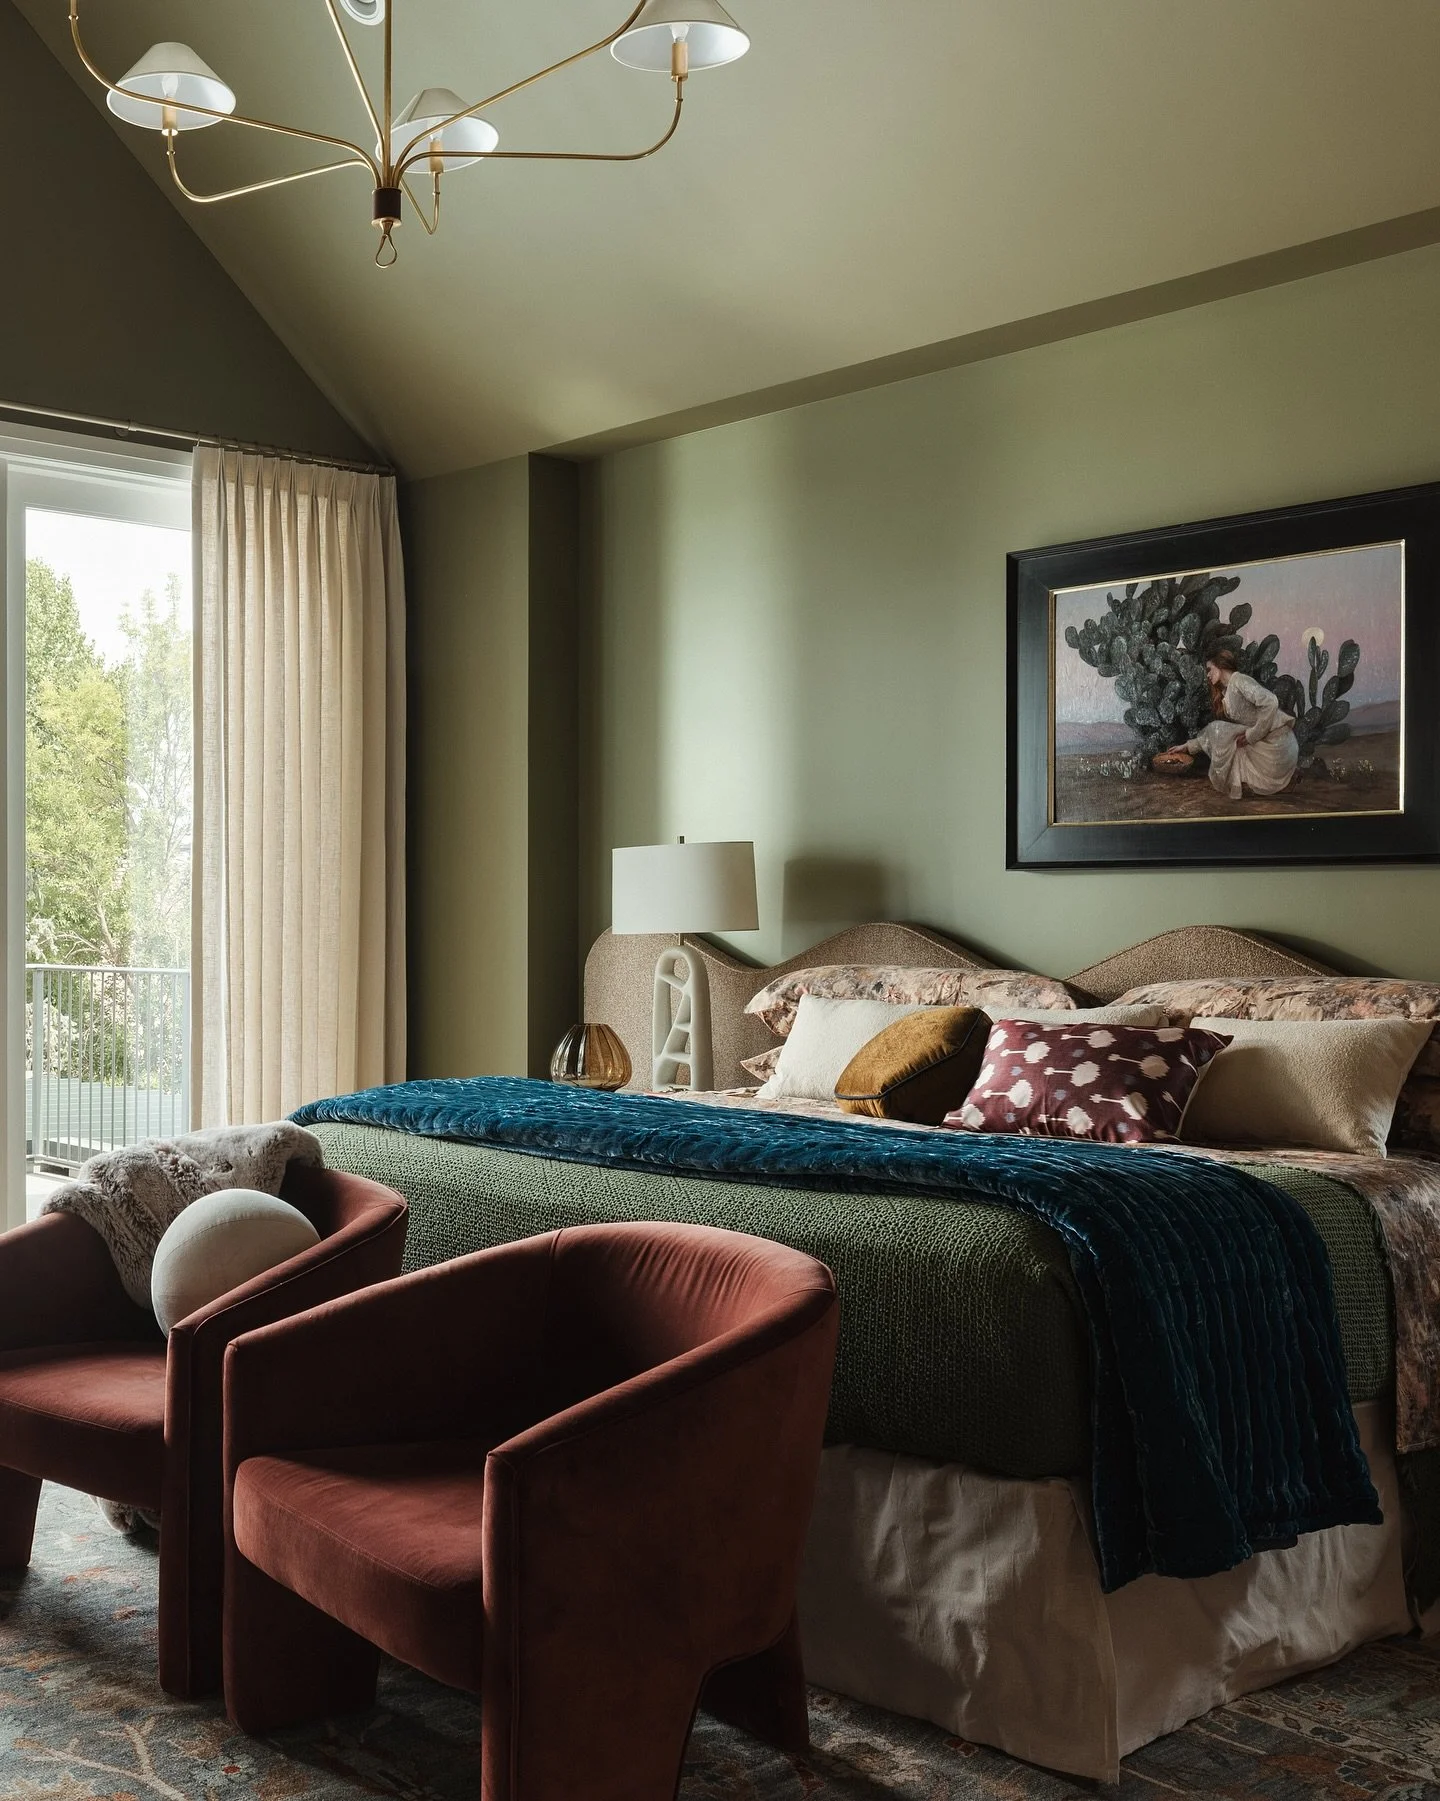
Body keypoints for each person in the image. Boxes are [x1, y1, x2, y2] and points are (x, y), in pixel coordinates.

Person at [1174, 649, 1299, 799]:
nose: (1207, 675)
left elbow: (1271, 701)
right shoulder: (1226, 690)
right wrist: (1187, 746)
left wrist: (1252, 735)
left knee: (1221, 730)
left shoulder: (1239, 680)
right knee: (1224, 732)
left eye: (1209, 669)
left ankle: (1268, 779)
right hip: (1264, 742)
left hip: (1278, 743)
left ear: (1221, 665)